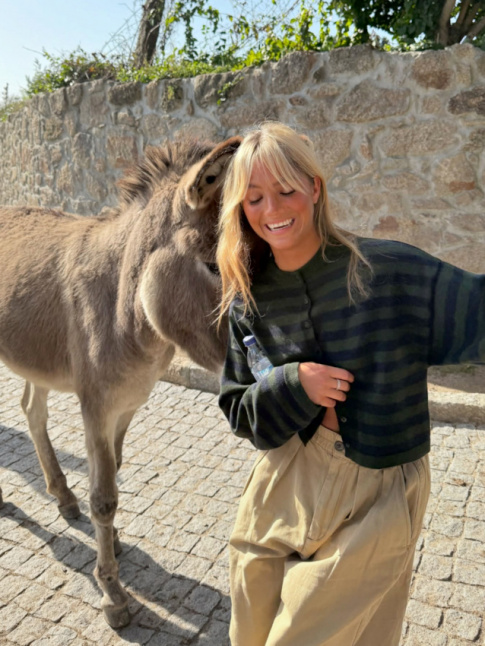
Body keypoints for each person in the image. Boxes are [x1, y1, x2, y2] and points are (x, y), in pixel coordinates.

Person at [215, 121, 485, 646]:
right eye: (254, 199)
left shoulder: (387, 271)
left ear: (315, 188)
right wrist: (294, 384)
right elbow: (238, 409)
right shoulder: (248, 296)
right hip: (284, 474)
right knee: (248, 631)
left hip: (378, 487)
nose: (272, 210)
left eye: (286, 190)